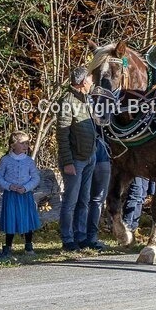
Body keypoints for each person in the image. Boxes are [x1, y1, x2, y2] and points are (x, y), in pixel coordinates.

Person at [56, 66, 98, 251]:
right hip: (75, 161)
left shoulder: (85, 99)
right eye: (90, 80)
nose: (92, 83)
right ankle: (67, 239)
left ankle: (81, 237)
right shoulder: (67, 101)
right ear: (82, 83)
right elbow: (62, 135)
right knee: (70, 202)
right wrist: (67, 162)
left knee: (84, 200)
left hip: (89, 157)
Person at [0, 132, 42, 257]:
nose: (25, 145)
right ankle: (8, 246)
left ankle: (28, 245)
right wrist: (9, 186)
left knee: (27, 218)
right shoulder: (5, 160)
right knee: (11, 218)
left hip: (25, 195)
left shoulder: (29, 161)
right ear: (12, 145)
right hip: (11, 195)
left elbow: (36, 178)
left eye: (27, 143)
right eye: (22, 143)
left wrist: (26, 188)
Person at [82, 135, 111, 250]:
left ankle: (92, 237)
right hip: (82, 151)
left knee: (98, 199)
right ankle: (80, 237)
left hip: (103, 153)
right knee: (81, 199)